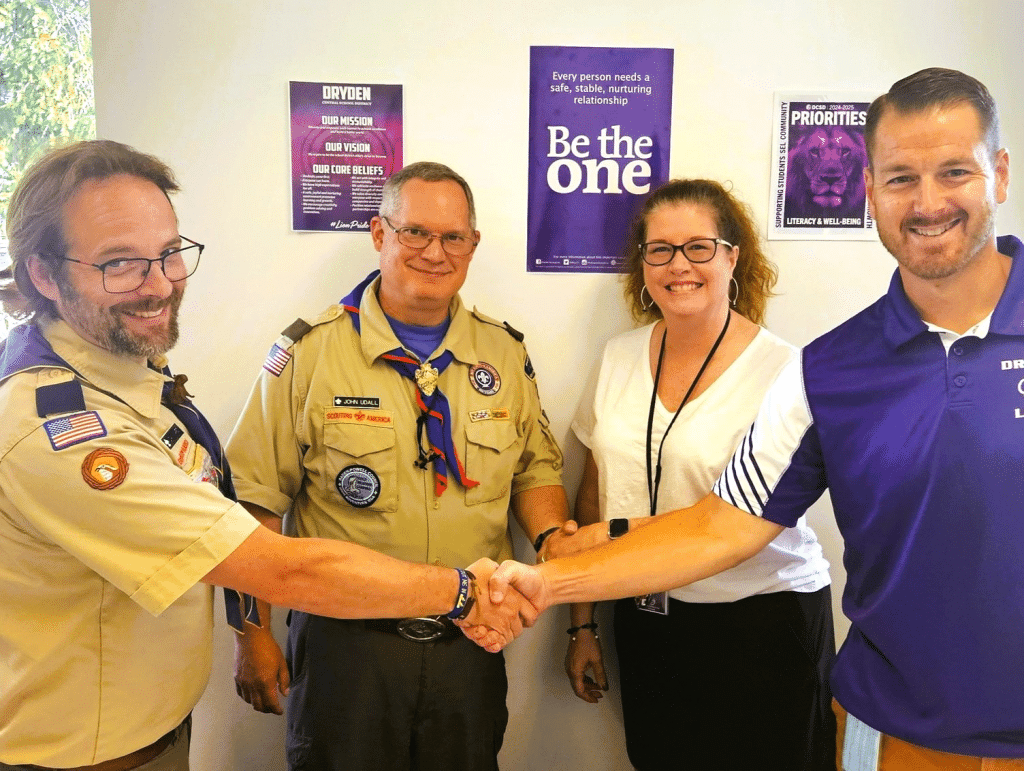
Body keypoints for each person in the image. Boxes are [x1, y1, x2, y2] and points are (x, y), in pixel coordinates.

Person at [487, 67, 1024, 770]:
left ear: (1000, 174)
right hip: (891, 735)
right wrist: (551, 584)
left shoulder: (779, 361)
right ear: (869, 189)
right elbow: (720, 525)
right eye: (900, 178)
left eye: (954, 171)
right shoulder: (830, 368)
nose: (927, 203)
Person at [0, 141, 529, 771]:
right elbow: (272, 555)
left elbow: (537, 469)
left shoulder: (130, 376)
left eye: (170, 255)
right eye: (120, 264)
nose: (160, 284)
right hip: (87, 751)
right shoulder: (63, 431)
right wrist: (468, 590)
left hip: (144, 734)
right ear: (41, 273)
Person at [226, 161, 569, 771]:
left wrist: (553, 548)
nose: (435, 252)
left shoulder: (504, 352)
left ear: (473, 245)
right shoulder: (308, 353)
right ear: (379, 233)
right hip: (346, 649)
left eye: (453, 237)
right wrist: (252, 633)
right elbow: (255, 503)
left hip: (471, 643)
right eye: (415, 233)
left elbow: (535, 472)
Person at [565, 178, 834, 770]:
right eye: (659, 249)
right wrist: (580, 624)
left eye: (698, 247)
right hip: (644, 615)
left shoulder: (786, 371)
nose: (678, 265)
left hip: (760, 622)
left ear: (732, 257)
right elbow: (593, 494)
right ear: (643, 265)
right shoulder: (618, 356)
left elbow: (741, 524)